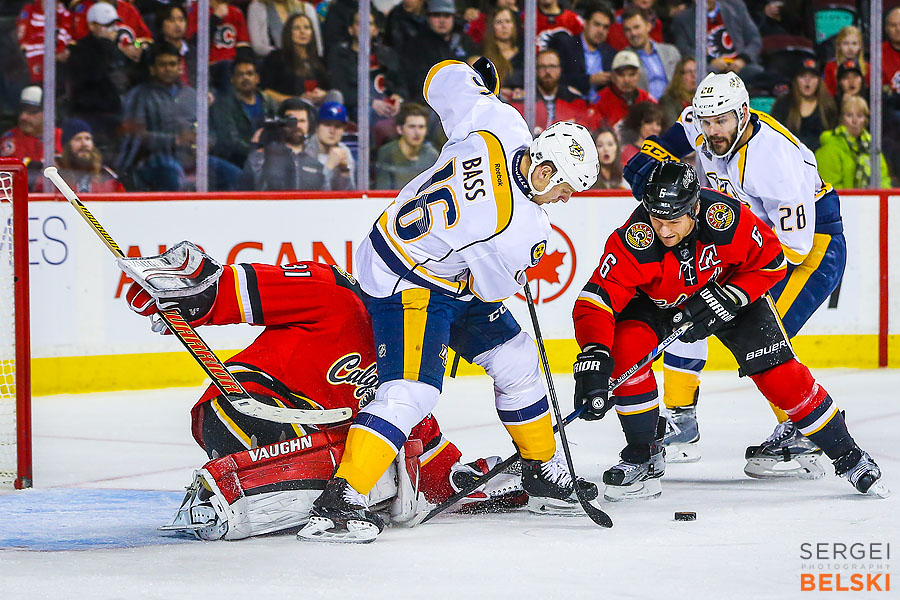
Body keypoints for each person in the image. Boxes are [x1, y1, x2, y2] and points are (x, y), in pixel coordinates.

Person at [297, 58, 600, 543]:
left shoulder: (500, 123)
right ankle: (340, 501)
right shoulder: (518, 230)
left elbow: (439, 78)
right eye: (564, 189)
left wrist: (479, 80)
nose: (564, 199)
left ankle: (542, 470)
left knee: (518, 356)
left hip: (423, 256)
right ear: (543, 171)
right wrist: (517, 265)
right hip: (406, 278)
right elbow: (490, 289)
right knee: (414, 391)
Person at [121, 249, 526, 540]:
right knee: (378, 479)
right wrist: (190, 299)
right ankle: (243, 488)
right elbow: (240, 289)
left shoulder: (410, 373)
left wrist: (497, 480)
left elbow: (432, 469)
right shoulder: (333, 290)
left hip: (308, 441)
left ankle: (251, 491)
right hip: (248, 409)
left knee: (391, 472)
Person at [571, 160, 885, 501]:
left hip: (731, 294)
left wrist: (731, 296)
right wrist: (594, 354)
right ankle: (643, 453)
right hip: (657, 304)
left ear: (694, 209)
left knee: (780, 375)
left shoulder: (725, 217)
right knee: (624, 353)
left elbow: (774, 260)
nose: (664, 231)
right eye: (657, 219)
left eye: (673, 221)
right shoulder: (635, 240)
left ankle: (850, 456)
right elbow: (595, 301)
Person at [623, 72, 846, 478]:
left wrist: (734, 286)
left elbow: (792, 248)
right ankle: (682, 420)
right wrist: (650, 156)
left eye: (721, 121)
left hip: (809, 247)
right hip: (748, 243)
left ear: (743, 114)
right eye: (706, 123)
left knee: (766, 332)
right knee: (685, 305)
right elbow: (678, 134)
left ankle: (804, 431)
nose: (712, 131)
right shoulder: (709, 121)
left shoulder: (773, 160)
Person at [116, 42, 198, 191]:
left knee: (228, 173)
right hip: (150, 160)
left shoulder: (190, 95)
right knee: (172, 175)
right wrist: (175, 140)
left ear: (180, 67)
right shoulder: (140, 95)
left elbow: (208, 130)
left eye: (173, 64)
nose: (168, 68)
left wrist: (204, 140)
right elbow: (135, 135)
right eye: (163, 64)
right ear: (152, 69)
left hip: (189, 158)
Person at [66, 2, 139, 160]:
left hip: (113, 114)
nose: (112, 30)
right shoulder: (82, 51)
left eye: (114, 25)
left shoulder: (115, 50)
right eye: (107, 25)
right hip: (92, 115)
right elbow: (93, 79)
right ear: (92, 26)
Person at [329, 12, 408, 124]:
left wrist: (397, 97)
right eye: (359, 23)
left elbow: (401, 83)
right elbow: (342, 89)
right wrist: (370, 102)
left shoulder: (388, 54)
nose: (364, 27)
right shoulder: (339, 55)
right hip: (359, 107)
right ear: (351, 29)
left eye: (369, 23)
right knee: (368, 115)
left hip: (388, 104)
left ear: (375, 30)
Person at [670, 0, 764, 87]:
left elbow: (754, 39)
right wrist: (710, 60)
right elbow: (683, 48)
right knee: (709, 77)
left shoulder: (736, 7)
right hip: (709, 67)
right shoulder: (683, 19)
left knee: (757, 72)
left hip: (740, 64)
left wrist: (743, 59)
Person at [401, 0, 478, 103]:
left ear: (453, 18)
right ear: (428, 18)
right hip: (430, 103)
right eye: (436, 15)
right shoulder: (416, 45)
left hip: (464, 100)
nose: (442, 21)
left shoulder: (465, 42)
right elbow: (417, 84)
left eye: (447, 16)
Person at [241, 98, 326, 190]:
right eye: (292, 121)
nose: (297, 125)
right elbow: (248, 189)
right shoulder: (262, 158)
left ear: (310, 125)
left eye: (302, 121)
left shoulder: (316, 165)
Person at [210, 58, 278, 171]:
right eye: (240, 75)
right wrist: (256, 151)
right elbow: (230, 143)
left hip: (267, 159)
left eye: (249, 74)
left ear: (257, 78)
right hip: (237, 162)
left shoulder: (269, 102)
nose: (245, 78)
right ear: (232, 79)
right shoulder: (223, 105)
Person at [512, 48, 599, 134]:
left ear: (559, 69)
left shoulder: (573, 99)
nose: (547, 71)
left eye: (552, 66)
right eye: (542, 67)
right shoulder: (523, 101)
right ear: (536, 70)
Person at [815, 96, 891, 189]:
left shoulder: (872, 147)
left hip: (870, 201)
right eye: (849, 115)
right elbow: (830, 188)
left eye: (859, 116)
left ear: (865, 120)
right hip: (843, 201)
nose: (855, 121)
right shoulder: (829, 147)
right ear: (842, 118)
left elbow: (883, 179)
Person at [550, 4, 617, 104]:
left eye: (605, 27)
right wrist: (589, 80)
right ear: (585, 23)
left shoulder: (611, 54)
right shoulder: (566, 45)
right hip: (569, 106)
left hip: (600, 110)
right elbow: (557, 78)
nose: (600, 31)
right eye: (597, 24)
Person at [34, 119, 125, 193]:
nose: (84, 143)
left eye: (87, 138)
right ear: (66, 147)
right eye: (78, 139)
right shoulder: (53, 177)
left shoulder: (107, 176)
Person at [260, 12, 331, 106]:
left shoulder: (319, 60)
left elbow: (328, 88)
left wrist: (323, 94)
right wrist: (297, 100)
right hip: (289, 107)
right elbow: (266, 91)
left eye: (307, 28)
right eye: (297, 28)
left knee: (335, 95)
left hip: (317, 107)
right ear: (288, 32)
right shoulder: (276, 57)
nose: (303, 32)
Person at [769, 59, 837, 152]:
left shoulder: (828, 106)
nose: (807, 81)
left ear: (819, 80)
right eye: (803, 76)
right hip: (789, 155)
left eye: (812, 77)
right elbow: (775, 135)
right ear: (796, 80)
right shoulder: (783, 103)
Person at [0, 86, 62, 187]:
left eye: (32, 112)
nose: (23, 117)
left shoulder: (62, 136)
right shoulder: (10, 138)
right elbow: (14, 171)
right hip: (25, 198)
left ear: (48, 113)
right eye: (22, 111)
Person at [186, 0, 251, 94]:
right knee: (227, 66)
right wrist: (215, 18)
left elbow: (243, 44)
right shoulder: (196, 10)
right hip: (209, 64)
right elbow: (193, 43)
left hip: (233, 62)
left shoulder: (235, 12)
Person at [620, 5, 680, 101]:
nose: (633, 33)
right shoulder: (624, 58)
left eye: (636, 27)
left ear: (648, 26)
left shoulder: (671, 52)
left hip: (675, 106)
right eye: (628, 30)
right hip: (645, 109)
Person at [374, 102, 440, 189]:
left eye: (421, 127)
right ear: (400, 129)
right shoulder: (387, 153)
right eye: (412, 127)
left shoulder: (432, 155)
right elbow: (382, 191)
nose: (417, 133)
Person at [16, 0, 74, 84]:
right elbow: (24, 43)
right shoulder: (30, 10)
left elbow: (66, 34)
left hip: (59, 61)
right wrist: (51, 56)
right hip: (35, 61)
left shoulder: (63, 12)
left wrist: (61, 50)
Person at [593, 50, 655, 128]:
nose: (626, 80)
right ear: (612, 76)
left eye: (632, 74)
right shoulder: (599, 101)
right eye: (621, 75)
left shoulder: (648, 100)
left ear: (639, 75)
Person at [303, 101, 355, 190]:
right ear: (316, 127)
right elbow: (311, 193)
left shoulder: (344, 151)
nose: (332, 131)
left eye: (338, 126)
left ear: (344, 130)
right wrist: (329, 167)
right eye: (327, 125)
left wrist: (345, 172)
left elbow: (350, 196)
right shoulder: (305, 150)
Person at [246, 0, 323, 58]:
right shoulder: (257, 7)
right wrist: (288, 54)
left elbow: (318, 48)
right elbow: (258, 47)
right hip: (274, 60)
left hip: (306, 60)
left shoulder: (306, 8)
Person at [480, 7, 525, 102]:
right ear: (492, 26)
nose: (504, 26)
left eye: (508, 21)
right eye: (499, 22)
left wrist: (523, 91)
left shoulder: (524, 54)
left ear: (514, 26)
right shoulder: (483, 55)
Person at [823, 26, 869, 98]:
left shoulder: (867, 67)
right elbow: (828, 93)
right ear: (838, 46)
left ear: (860, 46)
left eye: (854, 44)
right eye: (846, 43)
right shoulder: (830, 67)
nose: (850, 48)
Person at [657, 56, 696, 128]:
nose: (694, 76)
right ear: (680, 76)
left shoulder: (702, 99)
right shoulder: (668, 100)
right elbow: (673, 128)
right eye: (689, 72)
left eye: (696, 71)